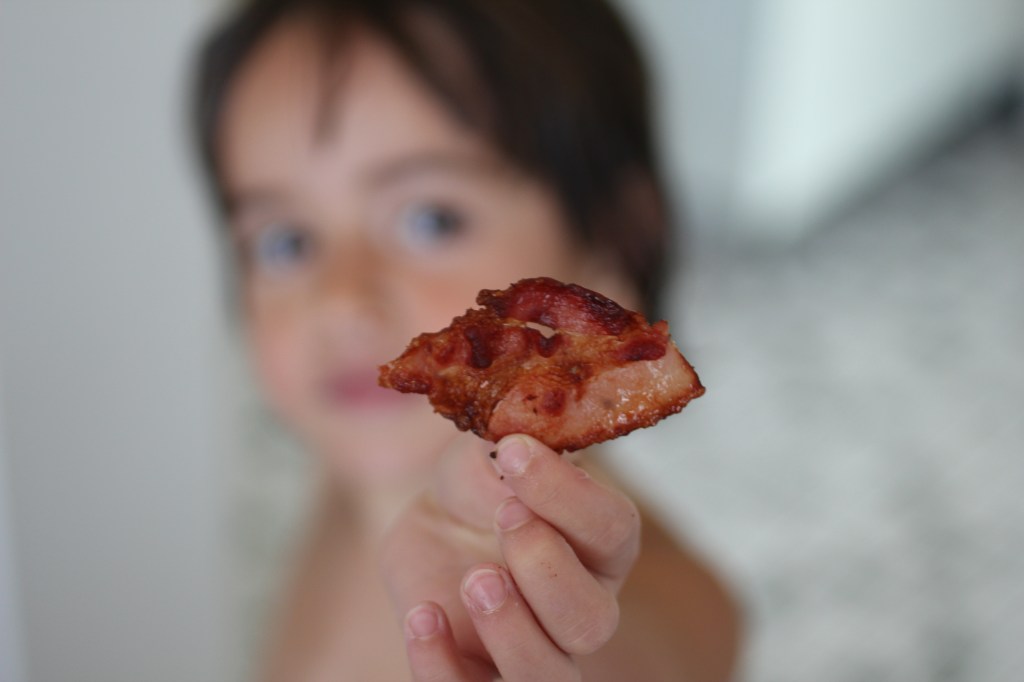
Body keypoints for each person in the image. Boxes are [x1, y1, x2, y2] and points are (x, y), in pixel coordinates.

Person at [193, 0, 740, 679]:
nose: (340, 300)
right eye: (287, 241)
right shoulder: (348, 466)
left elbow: (650, 649)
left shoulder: (667, 602)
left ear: (614, 241)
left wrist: (564, 643)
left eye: (432, 220)